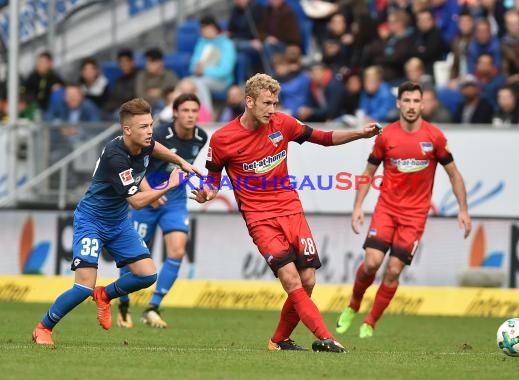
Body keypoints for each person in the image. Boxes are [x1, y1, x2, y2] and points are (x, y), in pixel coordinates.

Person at [191, 73, 379, 353]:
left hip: (291, 210)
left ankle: (278, 341)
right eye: (267, 103)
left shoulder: (284, 124)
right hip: (259, 218)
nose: (272, 109)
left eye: (275, 103)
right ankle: (326, 337)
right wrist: (208, 192)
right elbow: (213, 180)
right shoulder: (223, 139)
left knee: (308, 280)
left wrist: (360, 134)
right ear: (249, 101)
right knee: (291, 279)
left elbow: (324, 138)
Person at [31, 98, 201, 345]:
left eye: (151, 124)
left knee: (146, 275)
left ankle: (105, 295)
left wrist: (181, 161)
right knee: (82, 288)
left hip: (118, 223)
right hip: (92, 220)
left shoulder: (143, 142)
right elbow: (137, 202)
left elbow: (156, 147)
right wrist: (168, 184)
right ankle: (43, 328)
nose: (150, 131)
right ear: (127, 130)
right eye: (143, 127)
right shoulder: (116, 156)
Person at [335, 81, 472, 339]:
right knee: (372, 263)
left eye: (415, 101)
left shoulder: (435, 138)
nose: (411, 106)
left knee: (394, 270)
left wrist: (463, 209)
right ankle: (353, 305)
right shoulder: (386, 136)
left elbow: (454, 174)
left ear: (423, 104)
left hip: (415, 216)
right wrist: (357, 207)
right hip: (386, 209)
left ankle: (370, 322)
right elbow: (368, 173)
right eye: (406, 101)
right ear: (398, 103)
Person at [117, 93, 208, 328]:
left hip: (175, 200)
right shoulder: (158, 135)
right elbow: (136, 165)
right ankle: (123, 305)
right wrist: (149, 191)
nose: (190, 115)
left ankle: (152, 307)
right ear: (176, 112)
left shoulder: (201, 137)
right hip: (148, 197)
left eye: (194, 111)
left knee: (177, 251)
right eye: (185, 110)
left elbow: (180, 168)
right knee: (133, 257)